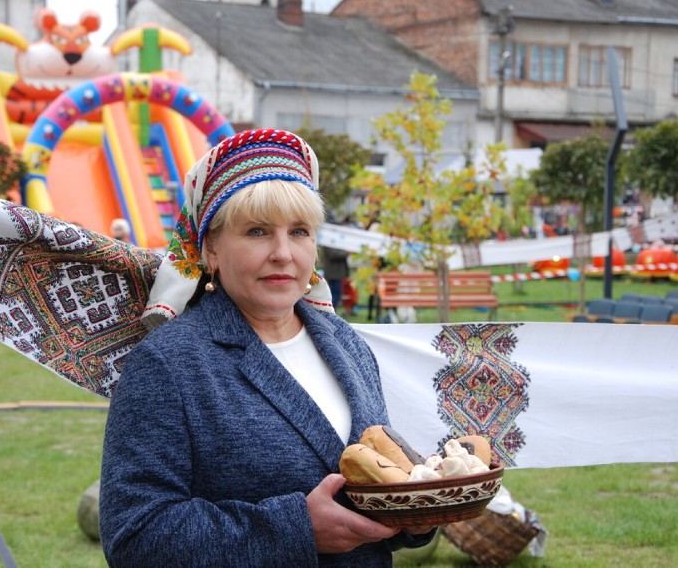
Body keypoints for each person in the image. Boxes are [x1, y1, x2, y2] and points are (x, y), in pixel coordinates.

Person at [99, 129, 436, 567]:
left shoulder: (347, 347)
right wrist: (297, 529)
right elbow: (134, 536)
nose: (283, 253)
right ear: (211, 250)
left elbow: (367, 504)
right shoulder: (169, 363)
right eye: (257, 231)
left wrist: (418, 509)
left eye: (299, 231)